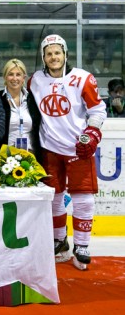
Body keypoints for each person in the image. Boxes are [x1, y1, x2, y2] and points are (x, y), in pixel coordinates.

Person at [28, 34, 106, 270]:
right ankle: (59, 240)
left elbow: (98, 110)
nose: (54, 57)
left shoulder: (83, 78)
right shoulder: (35, 80)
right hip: (49, 148)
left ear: (65, 54)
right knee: (54, 197)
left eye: (57, 52)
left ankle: (82, 245)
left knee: (83, 197)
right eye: (49, 53)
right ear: (43, 57)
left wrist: (92, 132)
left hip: (77, 148)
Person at [0, 58, 40, 154]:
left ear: (23, 78)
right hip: (5, 156)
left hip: (30, 154)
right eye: (10, 74)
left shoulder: (32, 98)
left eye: (18, 74)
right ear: (5, 77)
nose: (14, 78)